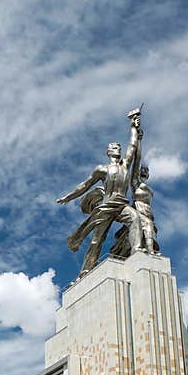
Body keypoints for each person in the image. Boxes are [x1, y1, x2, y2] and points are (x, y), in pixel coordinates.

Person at [56, 108, 144, 278]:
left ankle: (137, 250)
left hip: (121, 205)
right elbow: (85, 185)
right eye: (113, 146)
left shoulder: (125, 165)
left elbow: (133, 146)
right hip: (106, 206)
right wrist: (69, 197)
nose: (117, 147)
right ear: (109, 152)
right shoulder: (102, 170)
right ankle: (85, 271)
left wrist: (133, 125)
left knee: (135, 218)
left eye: (118, 146)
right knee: (97, 240)